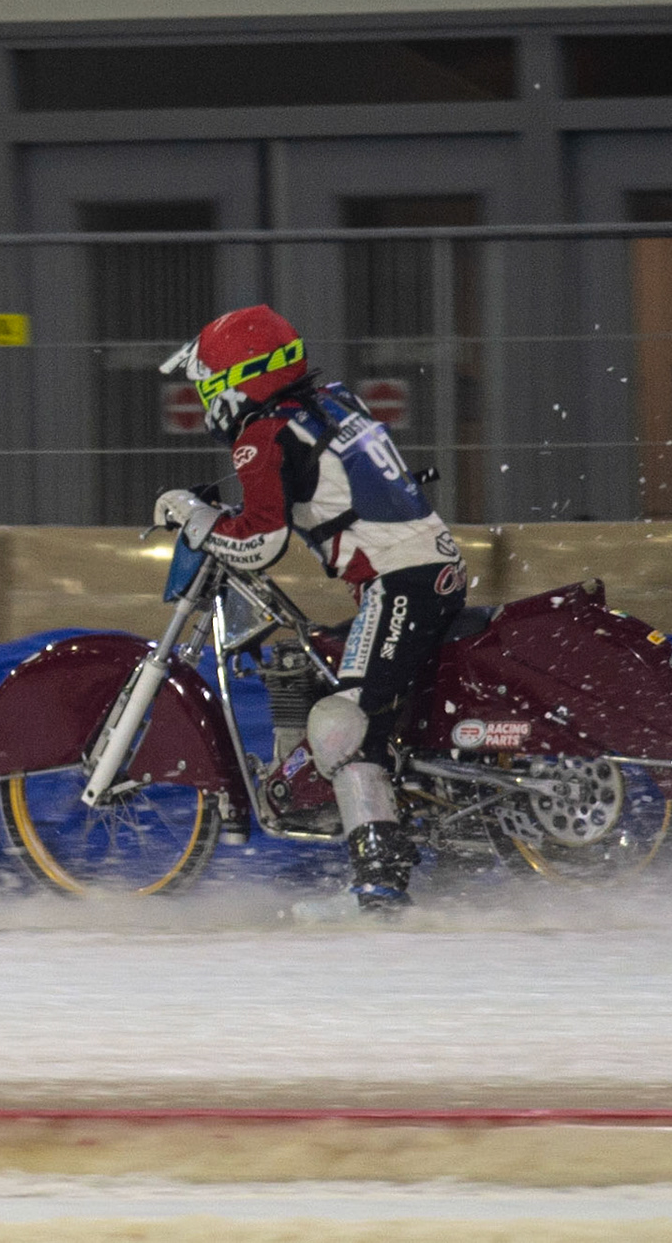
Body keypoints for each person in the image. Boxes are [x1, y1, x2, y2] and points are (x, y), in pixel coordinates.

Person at [154, 304, 466, 911]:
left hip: (400, 583)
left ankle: (379, 889)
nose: (205, 398)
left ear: (239, 379)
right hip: (433, 572)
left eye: (208, 384)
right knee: (326, 670)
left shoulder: (264, 435)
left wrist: (193, 517)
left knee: (340, 726)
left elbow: (259, 542)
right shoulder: (334, 402)